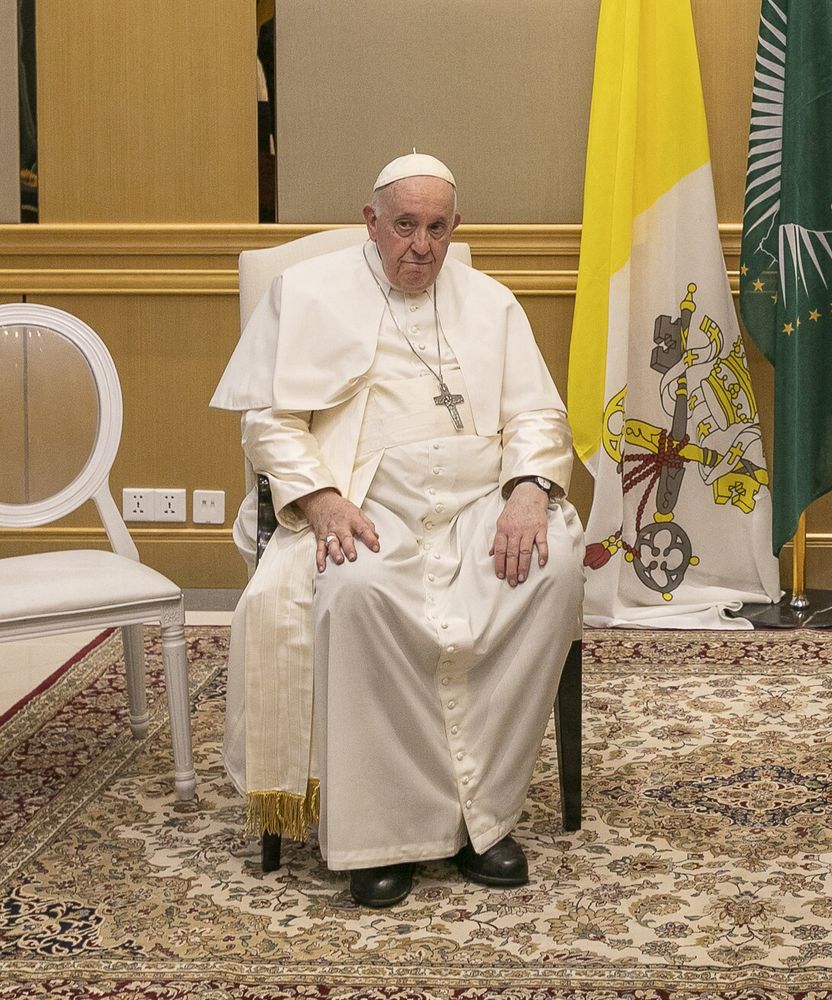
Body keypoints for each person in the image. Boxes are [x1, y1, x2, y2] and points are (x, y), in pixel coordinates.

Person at [211, 153, 583, 908]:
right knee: (357, 589)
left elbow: (538, 414)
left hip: (481, 502)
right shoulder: (308, 295)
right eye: (404, 226)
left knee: (551, 564)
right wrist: (319, 501)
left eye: (437, 229)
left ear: (456, 229)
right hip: (366, 502)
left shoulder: (492, 303)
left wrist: (528, 492)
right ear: (370, 223)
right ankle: (382, 839)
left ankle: (483, 820)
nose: (421, 246)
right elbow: (270, 420)